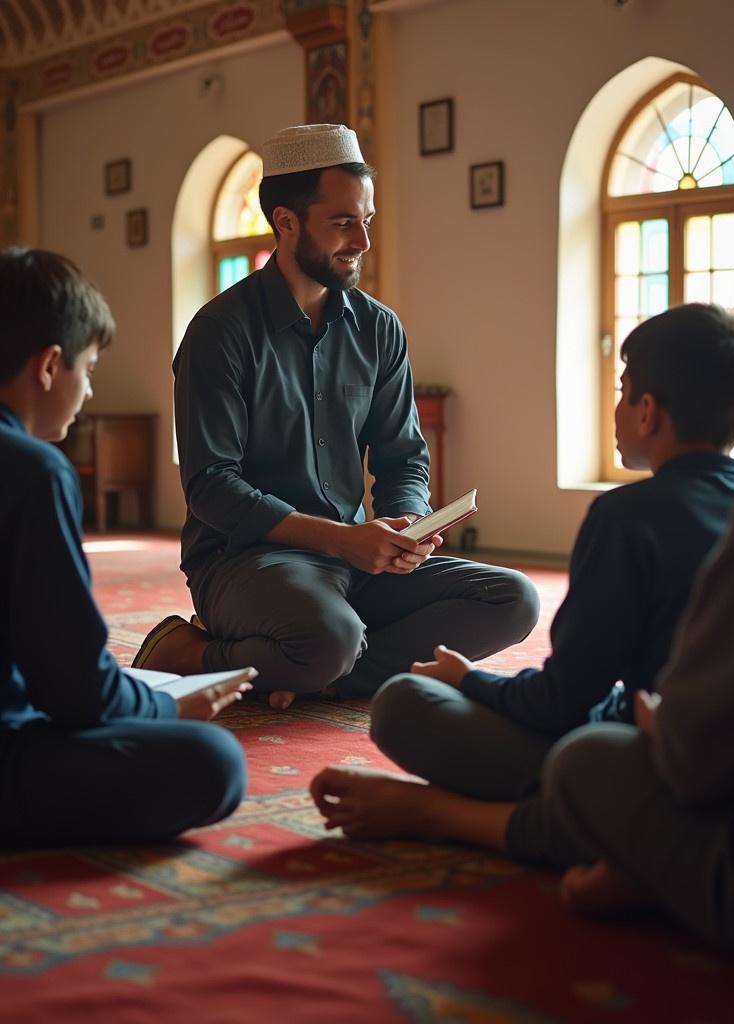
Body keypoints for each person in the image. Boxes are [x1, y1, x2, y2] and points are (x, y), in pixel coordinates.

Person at [310, 303, 734, 860]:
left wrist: (469, 680)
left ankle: (518, 821)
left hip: (654, 765)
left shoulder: (628, 517)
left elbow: (561, 703)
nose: (616, 407)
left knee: (402, 702)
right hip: (724, 764)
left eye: (622, 390)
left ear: (648, 413)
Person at [132, 124, 539, 706]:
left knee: (514, 599)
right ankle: (200, 653)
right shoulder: (219, 332)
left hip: (354, 560)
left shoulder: (379, 329)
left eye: (367, 220)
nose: (363, 242)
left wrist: (406, 527)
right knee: (332, 635)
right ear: (286, 221)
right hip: (245, 562)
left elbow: (404, 459)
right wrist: (341, 540)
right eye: (344, 222)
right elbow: (210, 488)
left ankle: (292, 671)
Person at [538, 251, 734, 961]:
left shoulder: (639, 515)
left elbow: (694, 764)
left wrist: (653, 719)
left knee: (578, 761)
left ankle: (461, 817)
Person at [0, 246, 253, 847]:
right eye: (87, 369)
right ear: (48, 366)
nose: (88, 392)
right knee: (213, 760)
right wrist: (169, 707)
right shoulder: (33, 472)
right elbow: (75, 691)